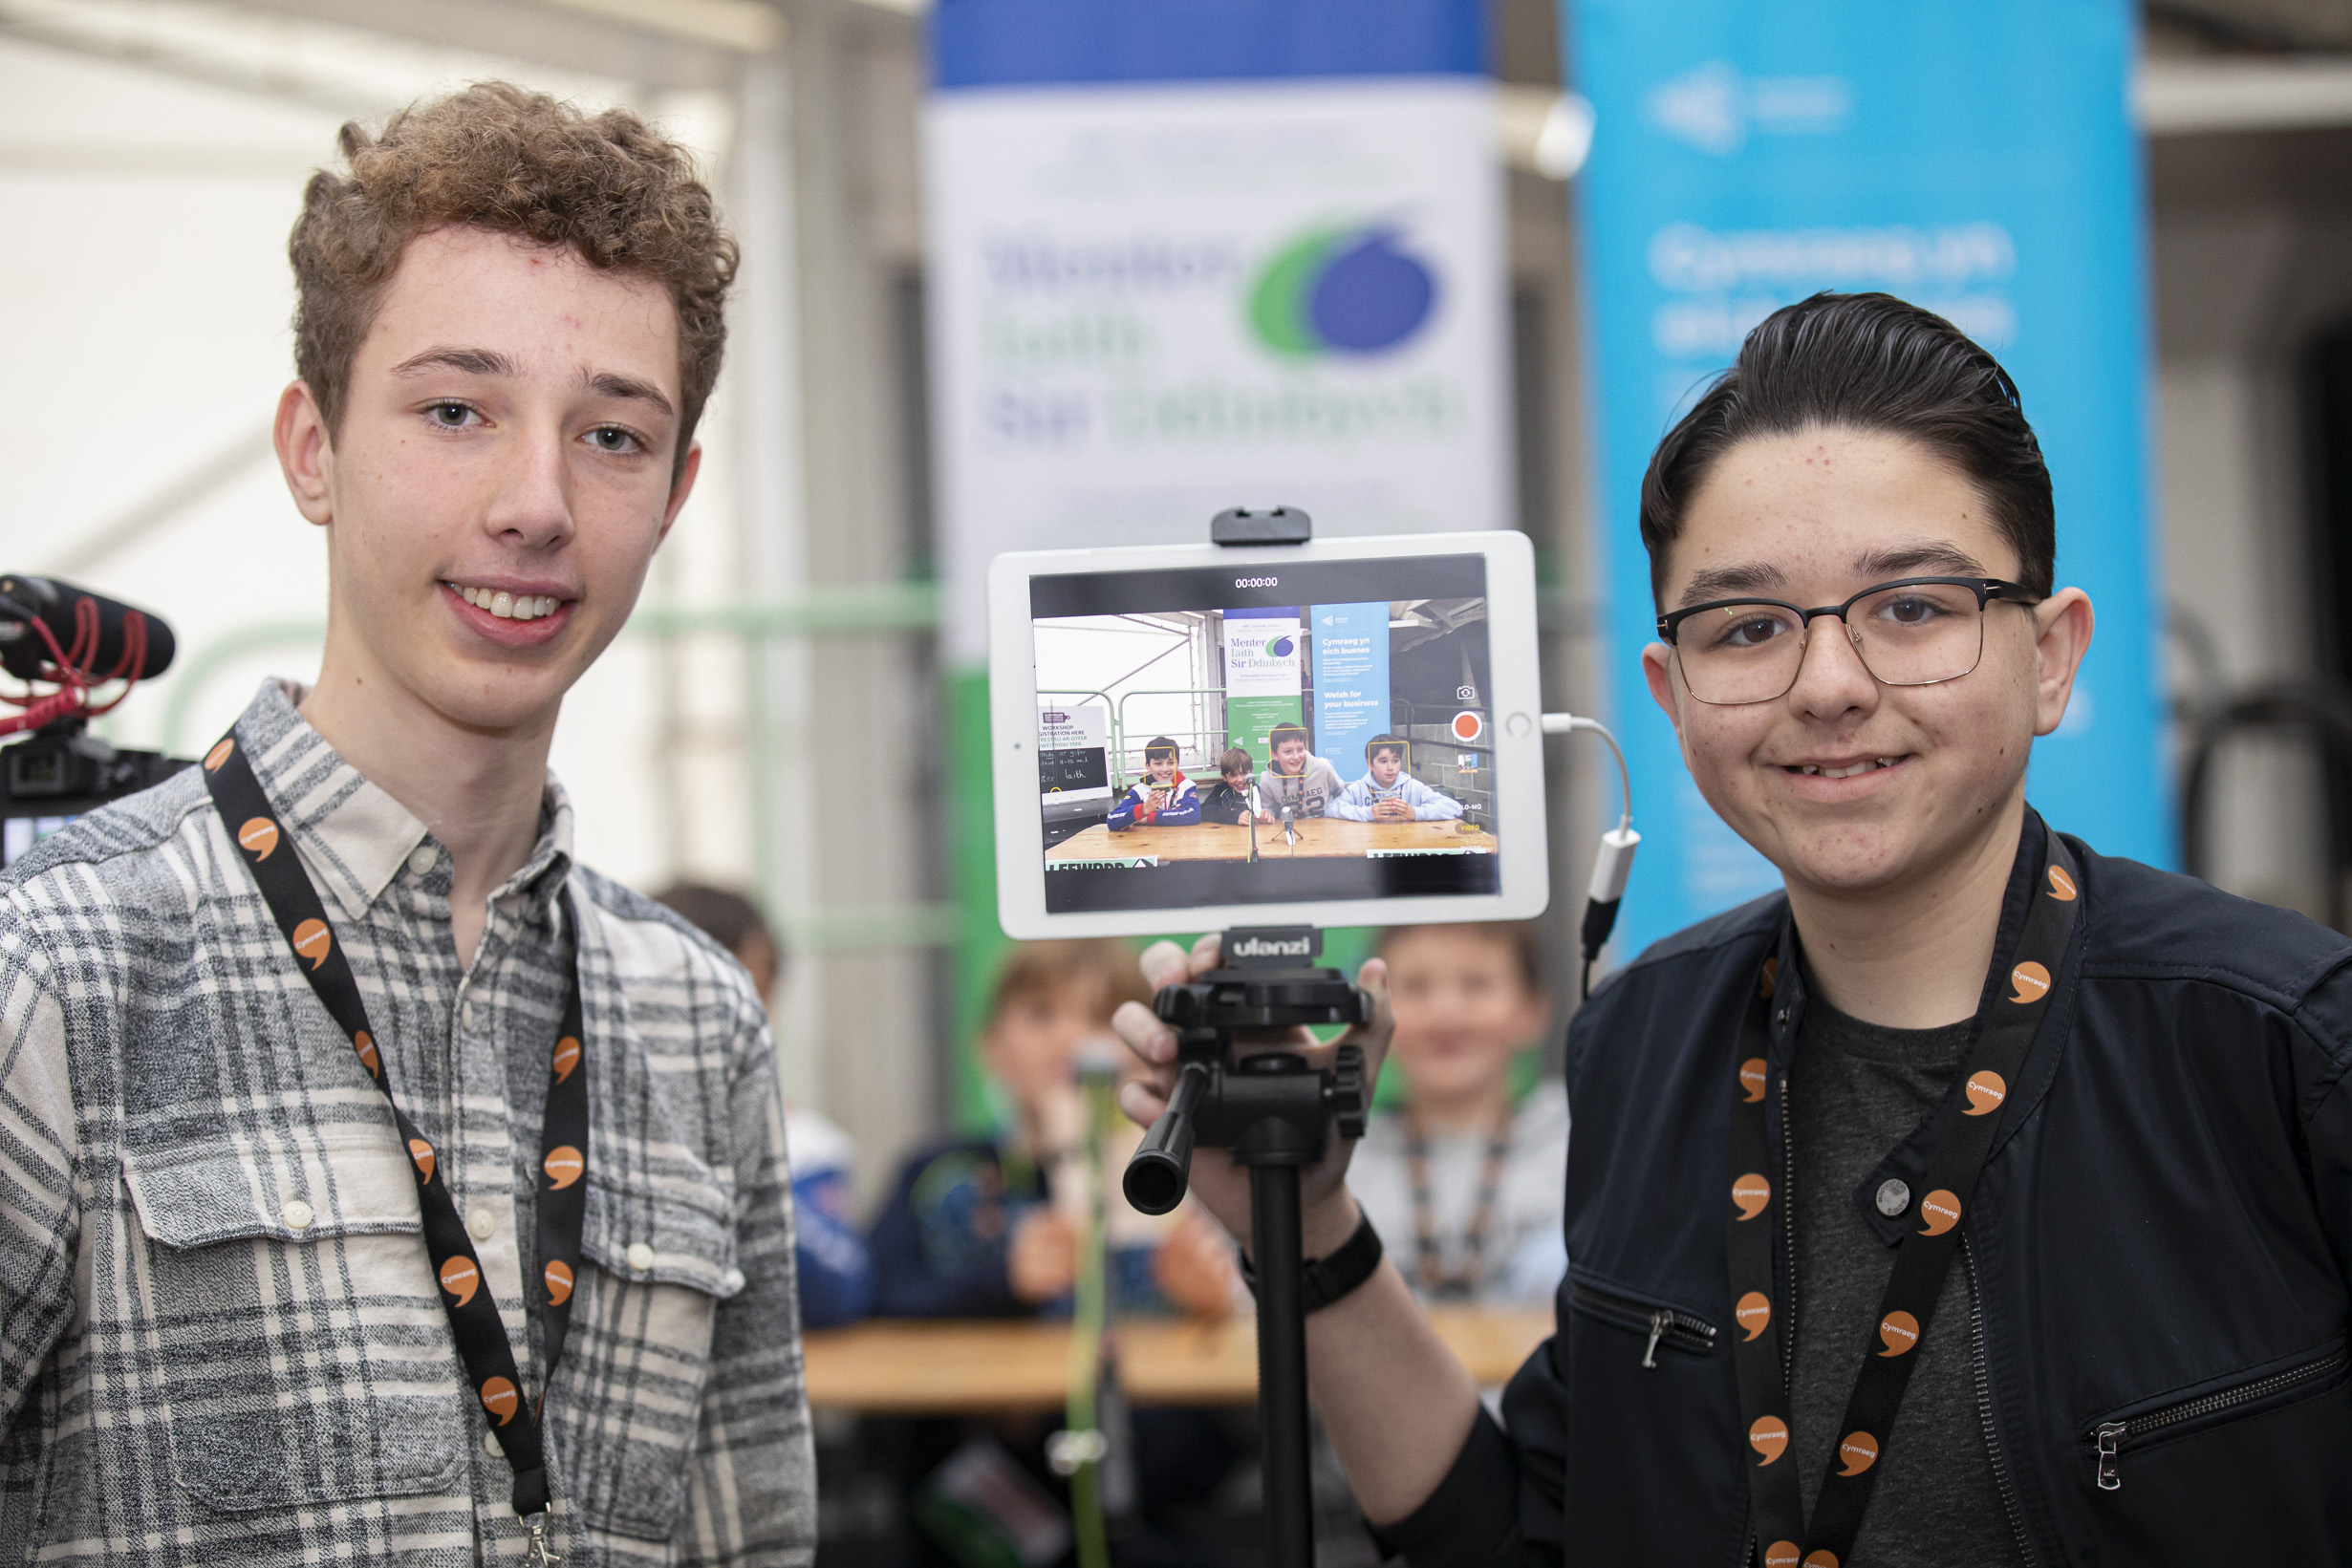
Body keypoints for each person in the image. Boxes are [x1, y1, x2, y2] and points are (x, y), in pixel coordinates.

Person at [1115, 291, 2352, 1566]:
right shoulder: (1646, 1040)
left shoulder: (2281, 1046)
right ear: (1670, 691)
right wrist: (1302, 1216)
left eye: (1913, 607)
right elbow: (1530, 1534)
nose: (1827, 685)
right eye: (1749, 628)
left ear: (2048, 656)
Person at [0, 86, 811, 1564]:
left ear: (679, 491)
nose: (537, 503)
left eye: (613, 435)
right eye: (455, 411)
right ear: (312, 448)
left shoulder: (699, 1023)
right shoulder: (59, 971)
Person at [870, 939, 1234, 1321]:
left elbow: (1251, 1300)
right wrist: (1001, 1281)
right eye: (1042, 1015)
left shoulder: (1181, 1181)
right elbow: (876, 1297)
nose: (1071, 1041)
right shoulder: (938, 1174)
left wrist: (1207, 1300)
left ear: (1148, 1049)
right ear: (990, 1045)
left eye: (1101, 1018)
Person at [655, 881, 874, 1329]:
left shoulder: (809, 1145)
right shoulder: (601, 1136)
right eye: (713, 998)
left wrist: (735, 1152)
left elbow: (840, 1291)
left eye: (761, 995)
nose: (747, 1020)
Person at [1348, 923, 1563, 1304]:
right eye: (1415, 987)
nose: (1446, 1012)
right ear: (1374, 1016)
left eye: (1477, 984)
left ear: (1533, 1009)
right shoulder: (1339, 1160)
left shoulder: (1585, 1145)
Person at [1327, 736, 1464, 823]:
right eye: (1383, 761)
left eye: (1395, 761)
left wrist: (1417, 813)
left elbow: (1455, 808)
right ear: (1370, 764)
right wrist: (1368, 813)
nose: (1390, 767)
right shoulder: (1359, 788)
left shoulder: (1413, 786)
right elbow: (1332, 808)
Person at [1105, 737, 1201, 832]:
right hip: (1148, 845)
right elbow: (1112, 819)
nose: (1165, 769)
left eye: (1171, 763)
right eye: (1158, 764)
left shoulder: (1187, 786)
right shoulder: (1140, 790)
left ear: (1178, 764)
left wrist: (1147, 818)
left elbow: (1193, 815)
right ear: (1148, 766)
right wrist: (1143, 809)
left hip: (1181, 844)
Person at [1258, 720, 1345, 820]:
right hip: (1290, 830)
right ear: (1274, 755)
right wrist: (1267, 814)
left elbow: (1342, 794)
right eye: (1288, 752)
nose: (1296, 757)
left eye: (1300, 749)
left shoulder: (1322, 767)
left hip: (1327, 828)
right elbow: (1268, 809)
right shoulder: (1267, 779)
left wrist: (1335, 812)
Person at [1198, 746, 1262, 826]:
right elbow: (1205, 810)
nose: (1240, 779)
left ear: (1251, 771)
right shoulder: (1221, 790)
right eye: (1233, 775)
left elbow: (1268, 811)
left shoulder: (1257, 791)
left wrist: (1266, 816)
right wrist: (1235, 817)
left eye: (1244, 773)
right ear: (1224, 777)